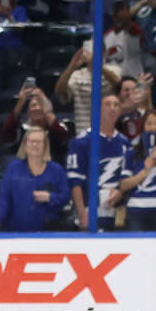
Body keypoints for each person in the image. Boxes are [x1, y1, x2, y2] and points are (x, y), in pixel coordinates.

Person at [0, 126, 69, 233]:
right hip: (15, 231)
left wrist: (50, 197)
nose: (35, 144)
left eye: (39, 141)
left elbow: (65, 197)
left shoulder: (57, 170)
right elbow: (4, 198)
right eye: (31, 141)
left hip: (46, 233)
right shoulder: (13, 167)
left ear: (45, 145)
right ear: (25, 144)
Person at [67, 92, 126, 231]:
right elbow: (75, 181)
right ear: (98, 109)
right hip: (90, 212)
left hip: (115, 214)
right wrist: (82, 214)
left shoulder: (124, 142)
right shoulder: (82, 141)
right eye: (107, 104)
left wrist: (121, 193)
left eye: (116, 105)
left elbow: (127, 179)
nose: (112, 108)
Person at [118, 110, 156, 232]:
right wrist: (145, 171)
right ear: (142, 127)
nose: (153, 128)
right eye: (149, 123)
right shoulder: (132, 153)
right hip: (137, 208)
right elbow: (123, 186)